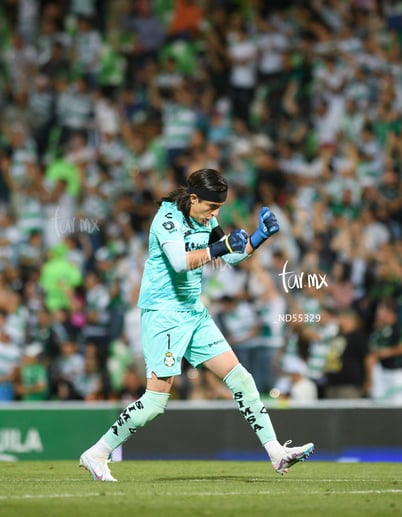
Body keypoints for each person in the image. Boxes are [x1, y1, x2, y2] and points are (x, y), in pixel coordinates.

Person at [79, 168, 314, 481]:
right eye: (211, 207)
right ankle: (97, 453)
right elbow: (180, 262)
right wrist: (220, 247)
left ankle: (276, 453)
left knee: (241, 378)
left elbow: (229, 256)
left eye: (218, 209)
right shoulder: (166, 219)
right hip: (163, 314)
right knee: (154, 401)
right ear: (192, 198)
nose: (215, 215)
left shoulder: (207, 219)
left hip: (192, 312)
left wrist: (259, 237)